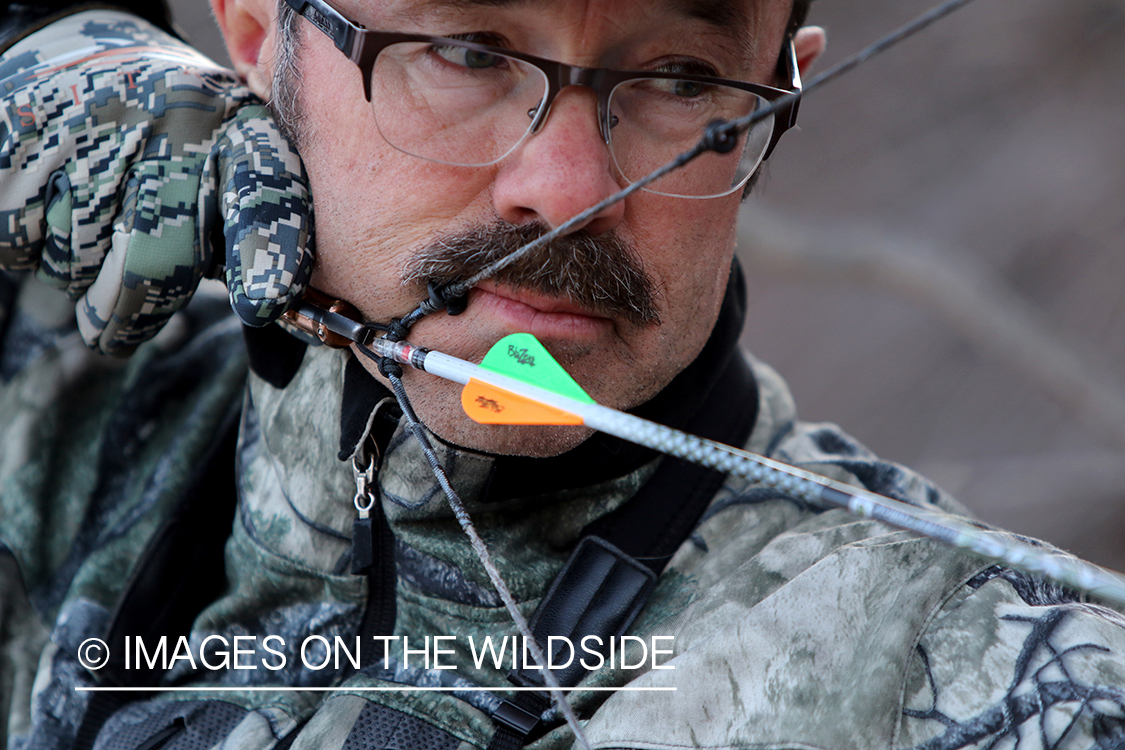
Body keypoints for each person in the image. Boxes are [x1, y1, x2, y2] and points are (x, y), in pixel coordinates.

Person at [2, 1, 1124, 749]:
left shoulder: (980, 670)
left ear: (779, 101)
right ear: (258, 31)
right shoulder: (74, 393)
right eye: (471, 52)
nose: (566, 184)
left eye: (683, 76)